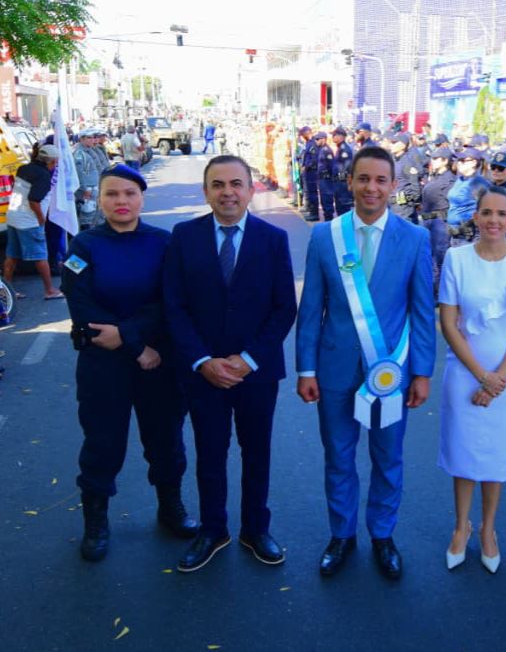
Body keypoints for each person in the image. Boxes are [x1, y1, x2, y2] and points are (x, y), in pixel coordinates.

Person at [295, 145, 435, 579]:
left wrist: (423, 373)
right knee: (338, 457)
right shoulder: (325, 236)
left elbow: (422, 311)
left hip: (390, 373)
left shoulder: (415, 238)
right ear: (350, 181)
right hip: (335, 370)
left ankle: (382, 535)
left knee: (387, 458)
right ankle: (341, 535)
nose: (371, 188)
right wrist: (306, 369)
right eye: (363, 179)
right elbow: (311, 308)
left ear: (394, 186)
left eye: (380, 180)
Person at [163, 155, 298, 573]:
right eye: (218, 185)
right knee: (209, 452)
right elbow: (174, 306)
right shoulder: (184, 236)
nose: (227, 192)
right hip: (203, 374)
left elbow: (283, 309)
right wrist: (203, 360)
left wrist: (247, 359)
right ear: (206, 192)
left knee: (256, 452)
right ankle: (213, 529)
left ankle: (255, 528)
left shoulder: (273, 239)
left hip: (256, 373)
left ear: (251, 188)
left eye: (236, 183)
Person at [62, 164, 197, 561]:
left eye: (129, 193)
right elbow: (80, 304)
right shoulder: (83, 246)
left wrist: (130, 336)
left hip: (160, 363)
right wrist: (134, 346)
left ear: (142, 197)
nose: (121, 201)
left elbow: (171, 301)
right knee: (102, 443)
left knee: (165, 439)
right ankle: (96, 522)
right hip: (104, 361)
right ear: (98, 199)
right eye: (111, 194)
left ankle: (170, 508)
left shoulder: (164, 243)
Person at [438, 186, 506, 573]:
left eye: (502, 214)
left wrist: (498, 378)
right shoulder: (456, 259)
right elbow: (449, 322)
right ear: (476, 217)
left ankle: (489, 530)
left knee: (495, 457)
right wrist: (481, 375)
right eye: (487, 213)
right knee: (464, 455)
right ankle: (460, 527)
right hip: (465, 371)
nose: (494, 220)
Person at [2, 144, 64, 300]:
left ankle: (7, 291)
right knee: (40, 256)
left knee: (12, 256)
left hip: (13, 217)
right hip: (29, 221)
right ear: (51, 162)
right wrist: (41, 218)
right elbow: (33, 200)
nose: (55, 165)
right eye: (55, 162)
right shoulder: (44, 175)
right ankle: (50, 290)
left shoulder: (24, 168)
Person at [420, 146, 457, 283]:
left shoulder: (450, 181)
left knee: (439, 260)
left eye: (436, 159)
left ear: (445, 161)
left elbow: (450, 205)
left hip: (440, 225)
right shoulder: (434, 177)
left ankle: (438, 292)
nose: (432, 161)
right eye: (432, 158)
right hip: (429, 222)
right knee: (430, 259)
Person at [446, 148, 491, 246]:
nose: (459, 163)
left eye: (462, 161)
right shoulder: (461, 179)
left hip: (469, 237)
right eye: (458, 161)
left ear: (473, 163)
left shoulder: (478, 183)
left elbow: (486, 211)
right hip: (455, 234)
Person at [389, 132, 424, 223]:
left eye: (394, 143)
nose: (391, 145)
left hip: (402, 207)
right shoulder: (394, 160)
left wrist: (409, 201)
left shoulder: (407, 163)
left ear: (403, 145)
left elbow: (415, 188)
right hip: (392, 205)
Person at [73, 131, 104, 229]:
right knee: (87, 216)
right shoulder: (79, 153)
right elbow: (80, 173)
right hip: (88, 189)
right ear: (82, 139)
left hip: (94, 187)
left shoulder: (89, 151)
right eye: (89, 138)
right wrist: (84, 188)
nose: (92, 140)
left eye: (93, 137)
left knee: (94, 214)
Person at [330, 127, 354, 216]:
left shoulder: (344, 149)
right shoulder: (340, 148)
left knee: (343, 207)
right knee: (339, 207)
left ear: (341, 136)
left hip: (342, 183)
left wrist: (340, 180)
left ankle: (346, 228)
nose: (333, 137)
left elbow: (347, 166)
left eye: (334, 135)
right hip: (338, 183)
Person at [299, 128, 321, 221]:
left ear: (306, 134)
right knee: (308, 191)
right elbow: (306, 156)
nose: (302, 138)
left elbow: (314, 159)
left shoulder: (312, 144)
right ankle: (311, 210)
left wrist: (306, 166)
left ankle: (314, 213)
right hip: (307, 171)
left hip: (312, 171)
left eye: (302, 135)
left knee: (312, 193)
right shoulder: (308, 143)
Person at [316, 131, 338, 222]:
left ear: (323, 139)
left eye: (318, 139)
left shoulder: (327, 150)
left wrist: (328, 177)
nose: (316, 141)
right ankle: (327, 219)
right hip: (322, 179)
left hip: (326, 180)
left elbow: (331, 166)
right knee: (324, 201)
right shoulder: (322, 149)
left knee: (327, 200)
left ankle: (329, 220)